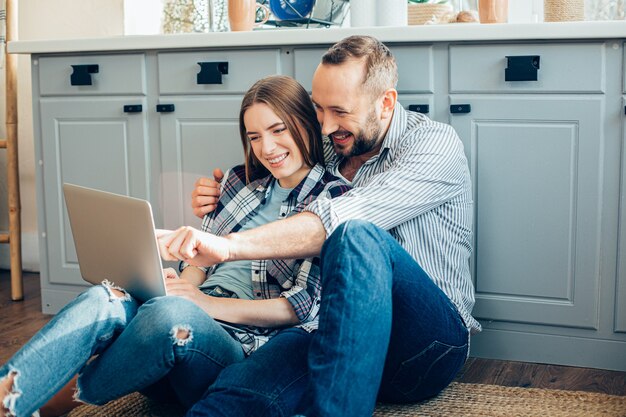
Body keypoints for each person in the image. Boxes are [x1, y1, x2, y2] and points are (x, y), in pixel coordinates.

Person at [164, 35, 481, 417]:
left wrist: (230, 245)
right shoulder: (331, 144)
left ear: (386, 103)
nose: (327, 126)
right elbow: (268, 175)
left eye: (340, 111)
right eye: (318, 109)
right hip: (331, 330)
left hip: (425, 344)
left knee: (355, 236)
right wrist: (216, 194)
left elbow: (333, 222)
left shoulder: (433, 146)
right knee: (245, 386)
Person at [0, 75, 349, 417]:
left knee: (170, 315)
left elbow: (300, 308)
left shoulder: (332, 198)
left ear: (305, 123)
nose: (267, 148)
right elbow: (200, 260)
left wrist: (202, 303)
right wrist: (181, 286)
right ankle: (7, 400)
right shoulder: (237, 180)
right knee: (104, 297)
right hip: (177, 324)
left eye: (278, 130)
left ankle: (56, 403)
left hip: (235, 346)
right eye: (255, 136)